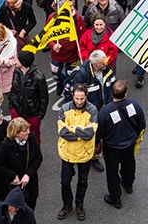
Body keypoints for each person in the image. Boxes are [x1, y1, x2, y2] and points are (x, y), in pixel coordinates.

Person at [97, 79, 146, 209]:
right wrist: (135, 136)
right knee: (129, 165)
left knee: (112, 173)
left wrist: (97, 143)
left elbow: (100, 130)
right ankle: (128, 185)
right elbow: (142, 124)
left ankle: (115, 198)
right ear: (126, 93)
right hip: (129, 144)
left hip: (112, 147)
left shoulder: (105, 111)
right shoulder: (134, 105)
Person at [56, 83, 98, 221]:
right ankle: (67, 205)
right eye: (76, 98)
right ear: (72, 96)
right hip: (67, 153)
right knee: (65, 182)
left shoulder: (92, 110)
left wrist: (71, 128)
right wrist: (81, 130)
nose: (79, 101)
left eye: (81, 98)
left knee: (83, 181)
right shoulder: (64, 109)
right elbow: (62, 132)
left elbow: (90, 134)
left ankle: (79, 205)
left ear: (86, 95)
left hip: (84, 154)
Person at [0, 117, 42, 211]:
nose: (28, 132)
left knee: (29, 208)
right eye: (24, 131)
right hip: (12, 186)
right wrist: (12, 175)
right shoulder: (6, 145)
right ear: (16, 133)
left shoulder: (30, 138)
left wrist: (28, 174)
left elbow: (38, 157)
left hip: (30, 183)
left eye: (28, 129)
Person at [10, 51, 49, 146]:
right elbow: (13, 90)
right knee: (15, 134)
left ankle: (34, 156)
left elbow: (44, 98)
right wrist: (12, 106)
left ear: (23, 62)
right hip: (17, 111)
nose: (15, 61)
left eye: (17, 59)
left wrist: (39, 116)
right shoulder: (16, 71)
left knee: (33, 137)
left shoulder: (38, 78)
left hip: (32, 114)